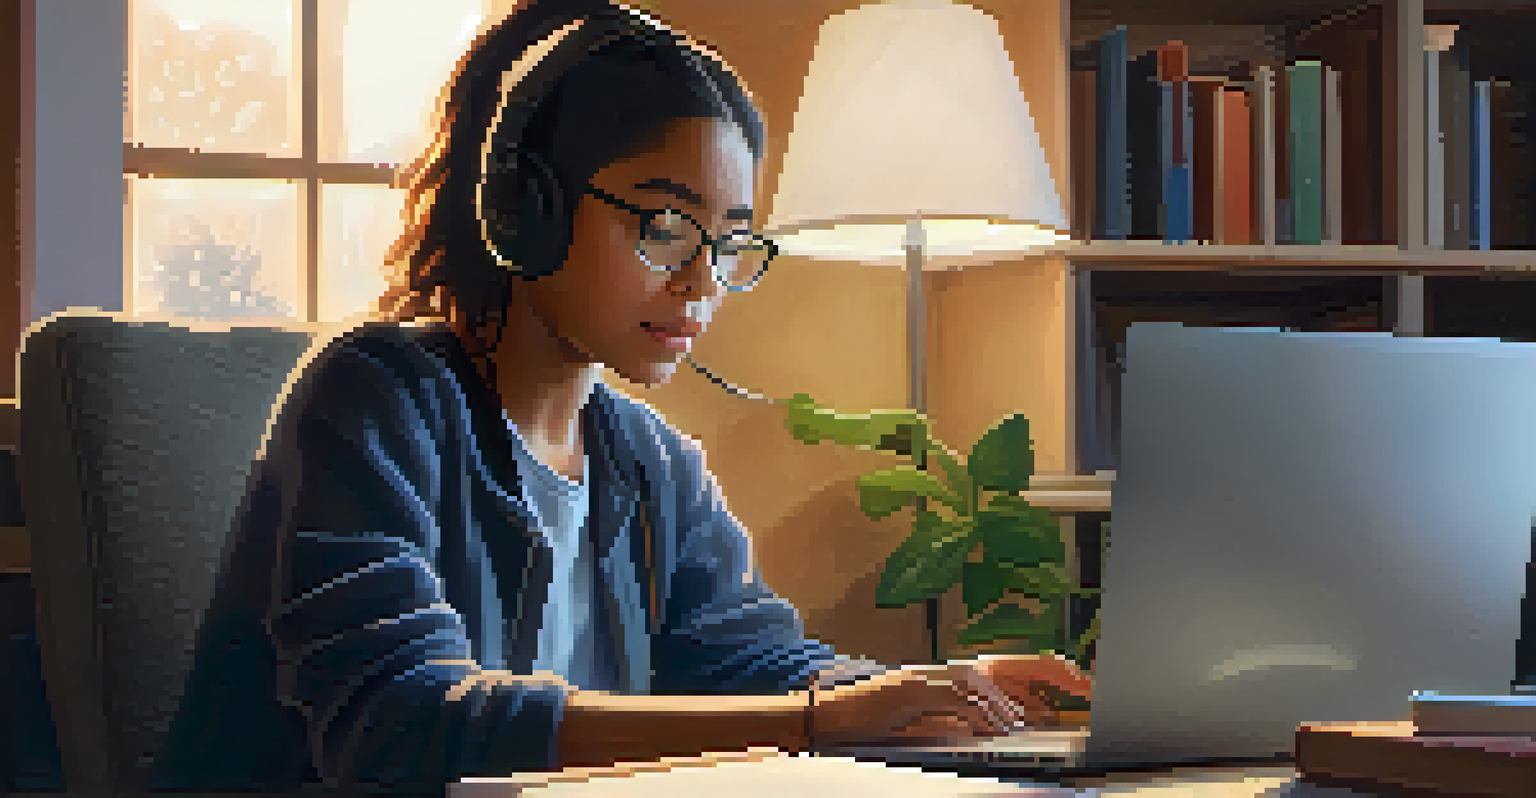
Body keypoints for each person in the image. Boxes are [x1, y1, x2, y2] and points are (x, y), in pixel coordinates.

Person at [151, 1, 1091, 794]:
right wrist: (810, 723)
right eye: (665, 225)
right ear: (531, 206)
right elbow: (399, 724)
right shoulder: (381, 400)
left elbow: (754, 665)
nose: (702, 283)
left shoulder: (648, 461)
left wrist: (939, 691)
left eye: (726, 242)